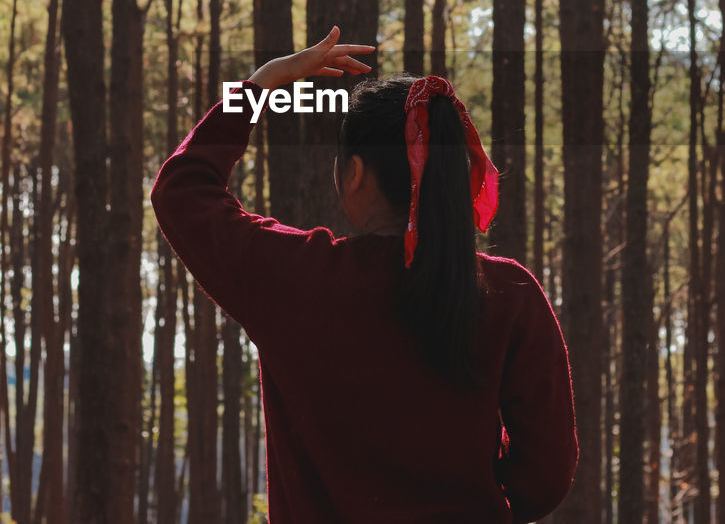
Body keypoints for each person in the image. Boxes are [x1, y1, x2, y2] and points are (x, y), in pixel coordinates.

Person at [150, 26, 578, 523]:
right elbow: (545, 476)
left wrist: (261, 85)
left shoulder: (296, 278)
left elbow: (181, 191)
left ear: (353, 173)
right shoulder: (510, 292)